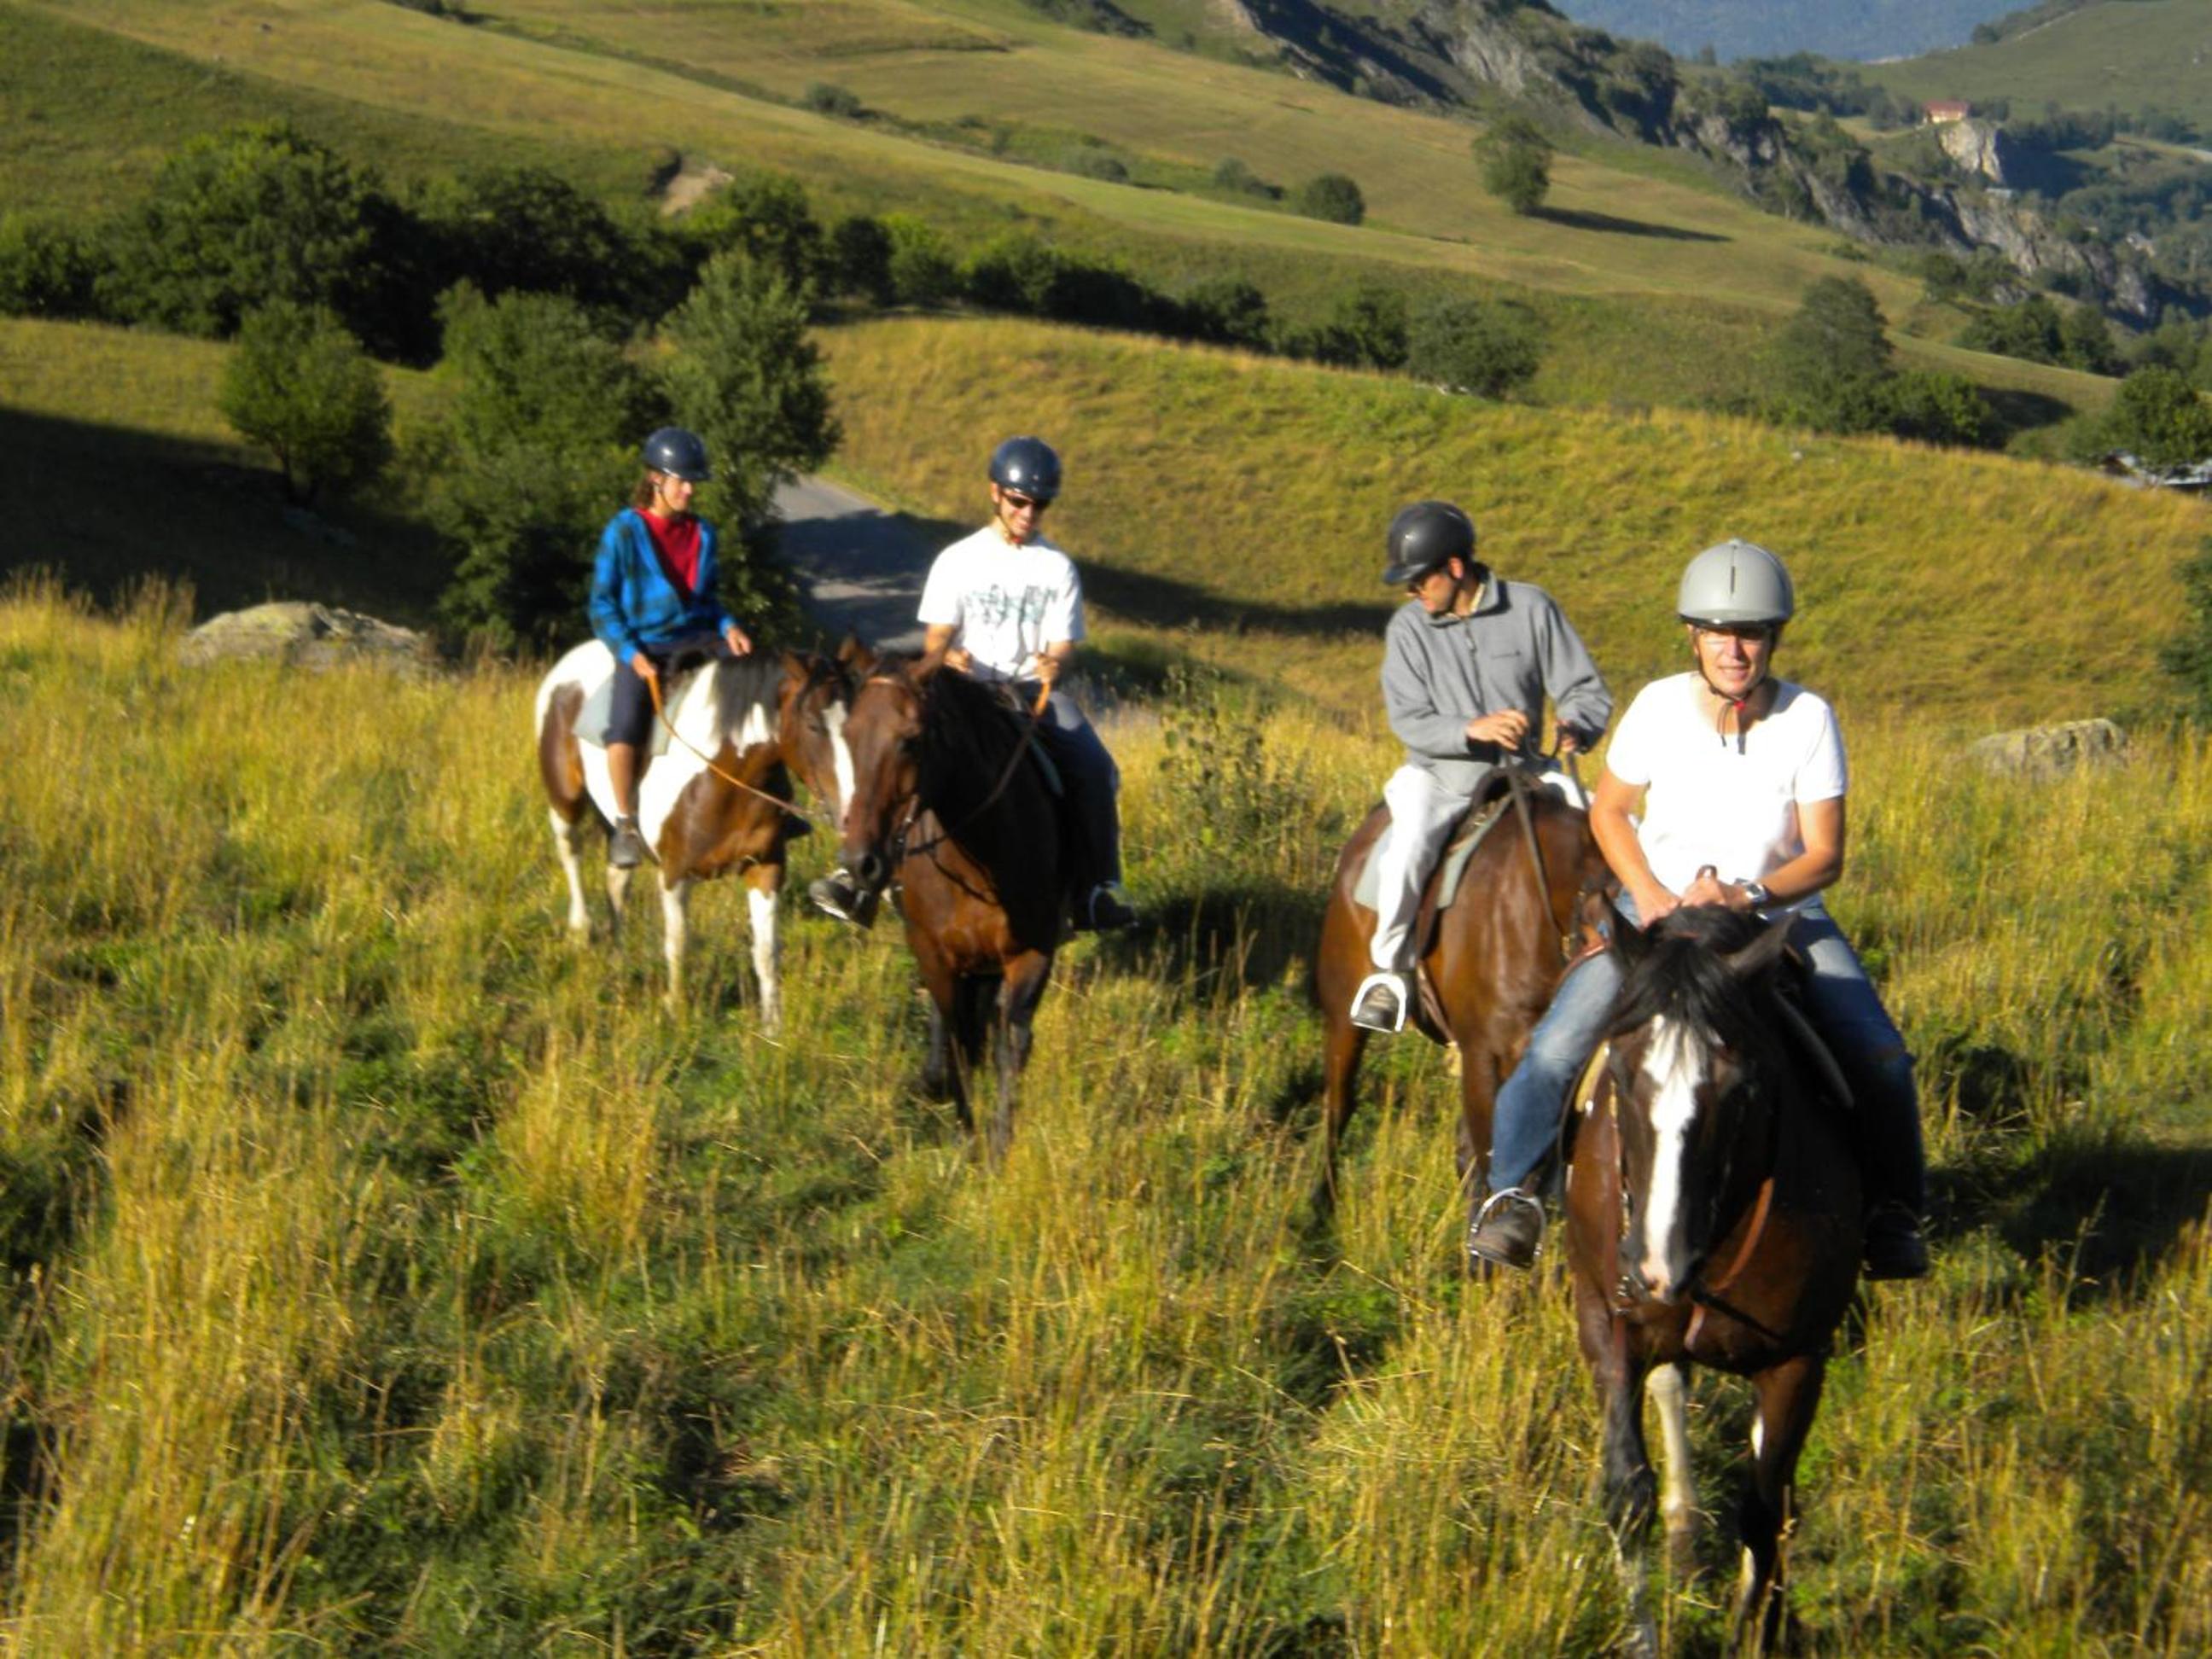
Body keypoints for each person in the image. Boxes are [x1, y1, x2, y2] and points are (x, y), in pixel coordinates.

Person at [1464, 538, 1930, 1280]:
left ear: (1774, 638)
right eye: (1718, 634)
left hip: (1777, 915)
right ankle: (1513, 1197)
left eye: (1750, 634)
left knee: (1878, 1055)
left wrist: (1747, 894)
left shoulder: (1809, 718)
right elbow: (1610, 812)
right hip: (1659, 910)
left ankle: (1894, 1214)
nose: (1734, 651)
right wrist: (1648, 892)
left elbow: (1824, 855)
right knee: (1555, 1048)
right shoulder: (1657, 706)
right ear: (1693, 635)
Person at [811, 435, 1136, 932]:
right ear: (995, 493)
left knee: (1095, 766)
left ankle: (1094, 889)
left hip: (1029, 693)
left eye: (1040, 505)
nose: (1029, 513)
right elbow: (937, 635)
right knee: (887, 751)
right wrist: (948, 655)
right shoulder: (958, 560)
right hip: (964, 690)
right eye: (1019, 501)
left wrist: (1055, 663)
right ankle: (856, 877)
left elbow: (1064, 642)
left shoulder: (1057, 568)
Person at [1348, 500, 1611, 1034]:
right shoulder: (1407, 629)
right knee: (1407, 850)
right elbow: (1409, 721)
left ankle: (1635, 957)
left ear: (1455, 568)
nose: (1412, 592)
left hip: (1527, 774)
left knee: (1613, 833)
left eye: (1419, 580)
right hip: (1439, 777)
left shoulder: (1532, 608)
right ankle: (1389, 973)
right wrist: (1472, 728)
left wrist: (1577, 725)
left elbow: (1584, 688)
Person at [589, 426, 754, 869]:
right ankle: (625, 823)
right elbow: (601, 605)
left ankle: (767, 803)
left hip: (699, 638)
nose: (690, 490)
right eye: (682, 481)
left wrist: (729, 626)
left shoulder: (704, 533)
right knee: (625, 725)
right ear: (655, 479)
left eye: (693, 482)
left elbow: (710, 600)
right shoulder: (623, 532)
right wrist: (631, 654)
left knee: (758, 691)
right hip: (644, 644)